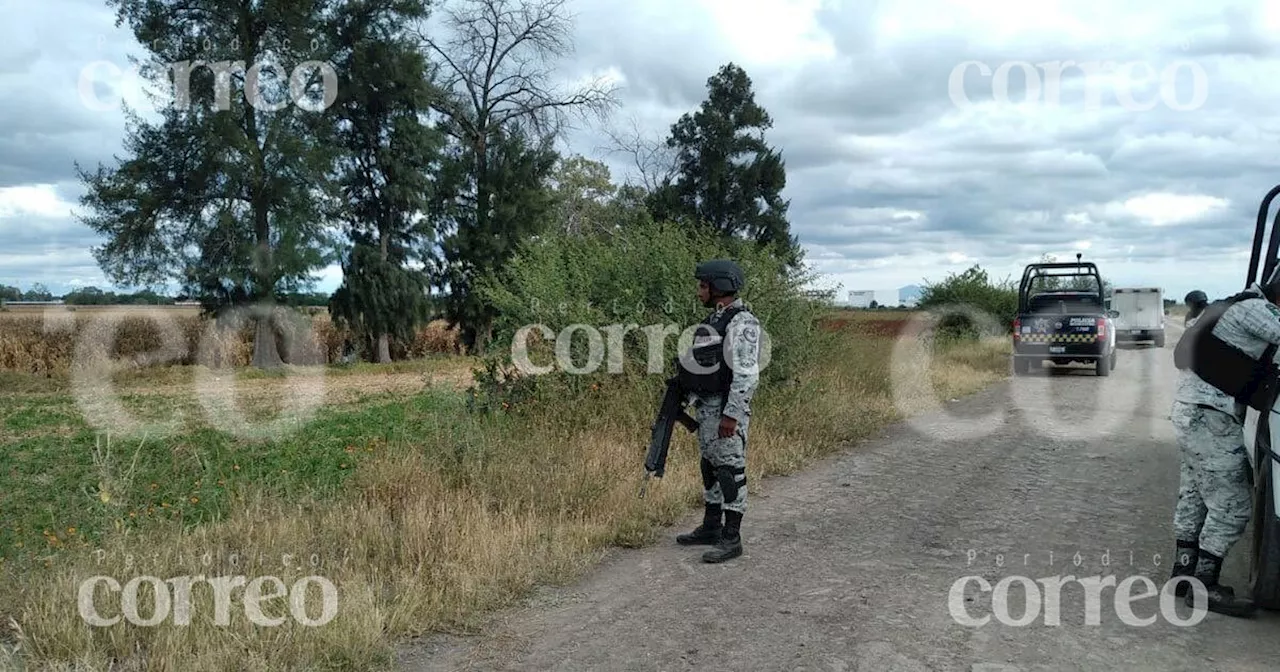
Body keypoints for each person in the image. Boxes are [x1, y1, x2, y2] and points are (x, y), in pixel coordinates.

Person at [1169, 277, 1280, 617]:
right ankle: (1205, 587)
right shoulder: (1258, 311)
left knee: (1196, 496)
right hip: (1212, 418)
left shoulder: (1228, 303)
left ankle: (1183, 574)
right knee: (1232, 506)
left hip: (1192, 412)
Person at [674, 259, 762, 563]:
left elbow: (747, 374)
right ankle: (711, 526)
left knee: (730, 470)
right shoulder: (716, 319)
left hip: (726, 411)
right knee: (709, 465)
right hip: (707, 408)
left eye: (703, 285)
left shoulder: (743, 323)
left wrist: (732, 414)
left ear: (719, 287)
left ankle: (731, 537)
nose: (699, 290)